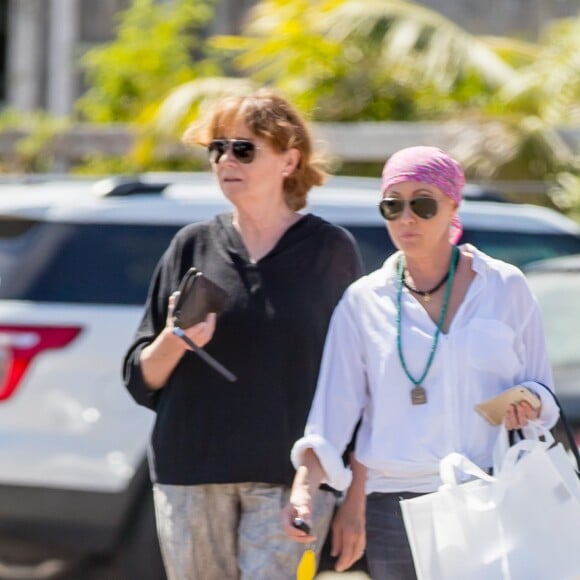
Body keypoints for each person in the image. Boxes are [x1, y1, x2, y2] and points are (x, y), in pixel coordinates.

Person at [283, 146, 560, 579]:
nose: (406, 218)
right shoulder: (362, 302)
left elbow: (542, 389)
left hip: (489, 493)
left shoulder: (505, 286)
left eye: (423, 204)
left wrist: (531, 404)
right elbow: (331, 418)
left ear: (453, 205)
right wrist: (303, 490)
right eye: (393, 205)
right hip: (396, 507)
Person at [122, 88, 364, 580]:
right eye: (218, 149)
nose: (226, 160)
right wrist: (176, 338)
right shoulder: (191, 245)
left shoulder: (329, 251)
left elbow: (359, 383)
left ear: (288, 159)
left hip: (291, 481)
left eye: (244, 149)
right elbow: (140, 378)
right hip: (191, 473)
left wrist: (353, 497)